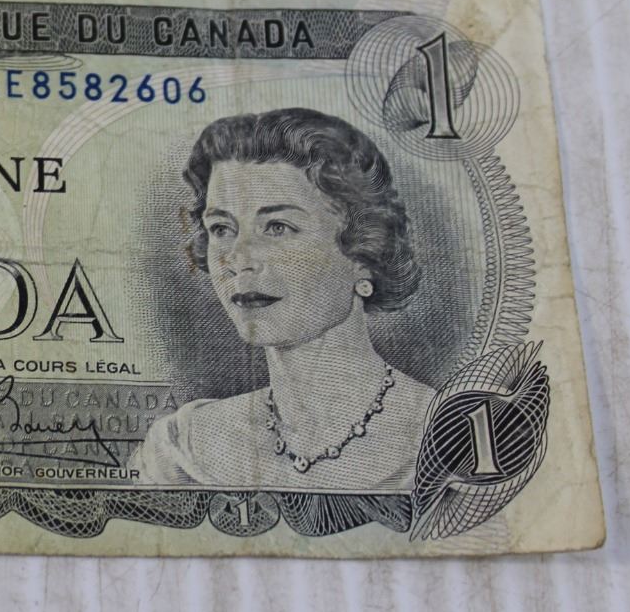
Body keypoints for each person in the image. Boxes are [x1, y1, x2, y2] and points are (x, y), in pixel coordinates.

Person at [134, 107, 436, 491]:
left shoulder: (448, 436)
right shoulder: (184, 445)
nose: (239, 259)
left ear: (363, 253)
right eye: (222, 228)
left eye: (277, 227)